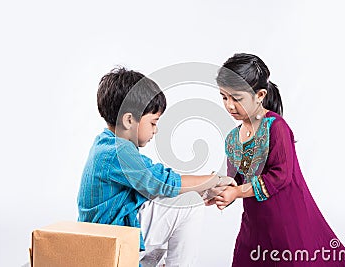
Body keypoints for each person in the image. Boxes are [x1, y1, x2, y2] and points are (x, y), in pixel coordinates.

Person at [206, 53, 345, 266]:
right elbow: (238, 181)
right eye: (224, 97)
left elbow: (280, 176)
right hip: (255, 226)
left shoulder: (276, 127)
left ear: (259, 95)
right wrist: (221, 191)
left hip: (286, 223)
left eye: (236, 98)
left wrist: (236, 191)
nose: (229, 106)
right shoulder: (233, 137)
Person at [77, 67, 235, 267]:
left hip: (111, 232)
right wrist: (213, 180)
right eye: (153, 122)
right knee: (189, 203)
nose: (156, 129)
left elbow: (149, 191)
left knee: (181, 200)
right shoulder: (117, 152)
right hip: (111, 239)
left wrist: (205, 190)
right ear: (128, 120)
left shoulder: (107, 145)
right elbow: (161, 182)